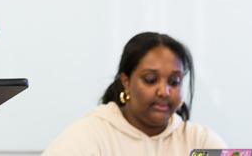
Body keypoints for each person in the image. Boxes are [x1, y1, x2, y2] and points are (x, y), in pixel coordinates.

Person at [42, 32, 225, 156]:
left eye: (174, 82)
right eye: (151, 80)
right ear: (126, 82)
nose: (164, 92)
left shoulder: (200, 141)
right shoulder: (91, 134)